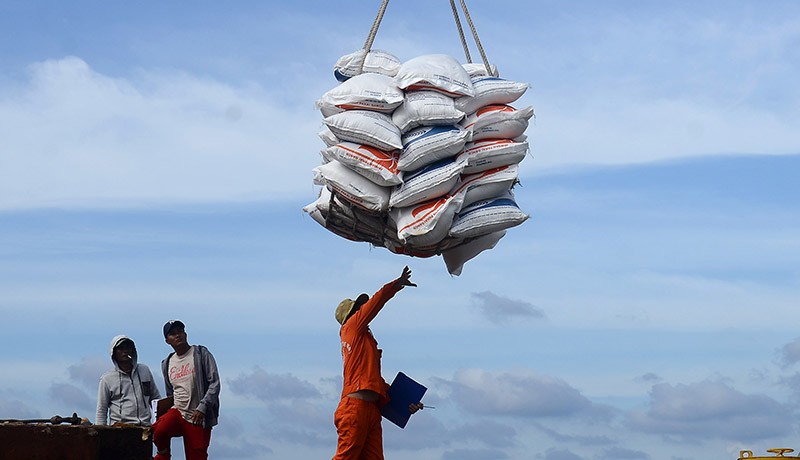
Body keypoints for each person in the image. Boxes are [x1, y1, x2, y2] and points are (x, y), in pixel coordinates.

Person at [332, 265, 424, 460]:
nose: (361, 310)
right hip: (354, 409)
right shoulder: (351, 327)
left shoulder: (364, 345)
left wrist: (406, 404)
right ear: (351, 315)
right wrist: (395, 285)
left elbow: (376, 384)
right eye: (357, 308)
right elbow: (375, 303)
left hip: (370, 411)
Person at [153, 320, 220, 460]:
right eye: (173, 334)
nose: (178, 335)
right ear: (167, 341)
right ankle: (164, 455)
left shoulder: (201, 353)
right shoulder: (167, 363)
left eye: (180, 332)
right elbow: (170, 392)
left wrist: (202, 407)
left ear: (185, 334)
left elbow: (214, 383)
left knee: (197, 456)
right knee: (158, 430)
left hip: (198, 417)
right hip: (178, 411)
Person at [96, 335, 162, 426]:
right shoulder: (107, 379)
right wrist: (100, 434)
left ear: (133, 350)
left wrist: (159, 423)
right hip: (120, 430)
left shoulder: (144, 370)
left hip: (145, 428)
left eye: (128, 347)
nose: (125, 351)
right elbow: (101, 410)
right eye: (120, 348)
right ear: (114, 353)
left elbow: (155, 399)